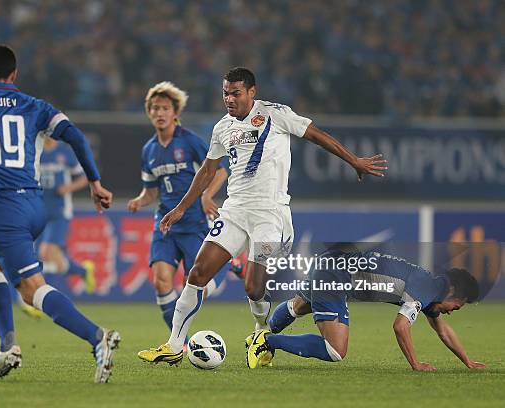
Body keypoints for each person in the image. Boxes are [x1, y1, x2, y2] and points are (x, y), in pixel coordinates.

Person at [137, 67, 387, 365]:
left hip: (270, 213)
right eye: (225, 93)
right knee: (198, 272)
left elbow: (317, 136)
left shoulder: (274, 114)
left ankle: (260, 332)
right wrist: (180, 208)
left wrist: (354, 160)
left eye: (236, 93)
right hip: (235, 209)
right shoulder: (222, 127)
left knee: (253, 288)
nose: (229, 98)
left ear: (251, 92)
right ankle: (174, 344)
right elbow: (207, 170)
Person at [0, 44, 120, 383]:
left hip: (2, 207)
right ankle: (8, 347)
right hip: (34, 205)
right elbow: (76, 136)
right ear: (14, 75)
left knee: (32, 289)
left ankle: (98, 338)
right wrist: (94, 181)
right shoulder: (34, 106)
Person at [249, 248, 487, 371]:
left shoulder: (432, 290)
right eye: (459, 305)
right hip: (336, 275)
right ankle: (268, 341)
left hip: (329, 263)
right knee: (336, 350)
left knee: (299, 306)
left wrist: (467, 361)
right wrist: (416, 364)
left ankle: (258, 336)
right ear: (454, 292)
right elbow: (400, 326)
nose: (454, 310)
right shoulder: (426, 289)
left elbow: (443, 331)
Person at [127, 82, 232, 336]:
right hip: (165, 224)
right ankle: (179, 341)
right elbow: (151, 190)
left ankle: (231, 266)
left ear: (175, 112)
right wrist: (140, 200)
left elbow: (220, 171)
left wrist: (207, 195)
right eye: (154, 108)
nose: (159, 113)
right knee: (162, 280)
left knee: (197, 287)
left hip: (194, 223)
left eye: (164, 108)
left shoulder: (190, 141)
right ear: (149, 112)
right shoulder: (149, 150)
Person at [38, 136, 92, 294]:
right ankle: (83, 271)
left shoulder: (65, 152)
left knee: (46, 251)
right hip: (39, 210)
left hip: (60, 211)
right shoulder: (36, 151)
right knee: (49, 257)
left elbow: (84, 177)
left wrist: (68, 188)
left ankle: (44, 296)